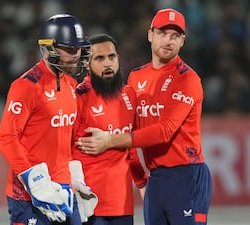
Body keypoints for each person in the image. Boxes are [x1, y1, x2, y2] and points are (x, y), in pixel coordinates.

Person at [76, 8, 213, 225]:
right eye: (162, 33)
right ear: (150, 35)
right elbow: (130, 127)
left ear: (183, 41)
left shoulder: (187, 79)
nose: (168, 40)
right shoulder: (136, 77)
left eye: (175, 35)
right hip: (156, 178)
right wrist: (141, 180)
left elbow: (165, 131)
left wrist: (109, 140)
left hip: (186, 174)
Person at [0, 14, 93, 225]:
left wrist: (75, 176)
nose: (76, 55)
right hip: (28, 196)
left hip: (64, 191)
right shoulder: (26, 86)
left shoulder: (69, 83)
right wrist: (35, 182)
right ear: (49, 48)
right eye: (69, 49)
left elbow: (66, 139)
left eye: (78, 49)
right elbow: (6, 138)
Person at [72, 34, 148, 225]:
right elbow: (62, 149)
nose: (107, 63)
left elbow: (130, 145)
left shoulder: (129, 95)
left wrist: (142, 183)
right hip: (88, 204)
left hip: (122, 204)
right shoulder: (77, 99)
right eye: (99, 58)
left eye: (112, 57)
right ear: (87, 64)